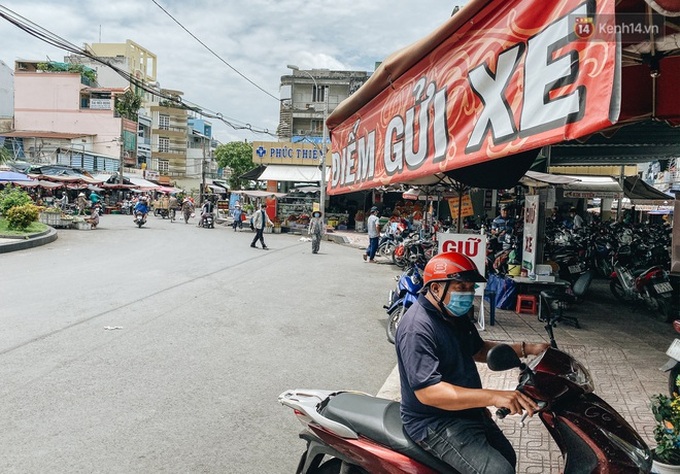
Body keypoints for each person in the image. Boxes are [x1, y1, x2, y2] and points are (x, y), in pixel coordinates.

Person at [395, 251, 550, 473]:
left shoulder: (453, 315)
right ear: (436, 288)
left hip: (466, 411)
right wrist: (494, 396)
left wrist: (527, 349)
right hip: (435, 422)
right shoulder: (417, 328)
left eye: (470, 288)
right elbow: (429, 392)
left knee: (507, 456)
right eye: (461, 288)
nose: (468, 295)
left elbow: (478, 350)